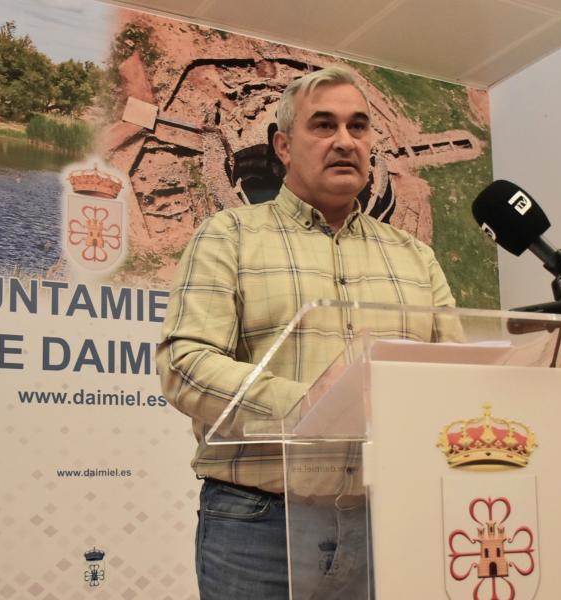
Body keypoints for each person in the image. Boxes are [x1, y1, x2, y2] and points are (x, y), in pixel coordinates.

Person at [155, 66, 460, 599]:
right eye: (323, 125)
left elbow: (454, 375)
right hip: (259, 525)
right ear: (283, 146)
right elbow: (185, 364)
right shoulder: (228, 236)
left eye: (358, 126)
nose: (345, 140)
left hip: (391, 518)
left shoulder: (416, 257)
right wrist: (309, 404)